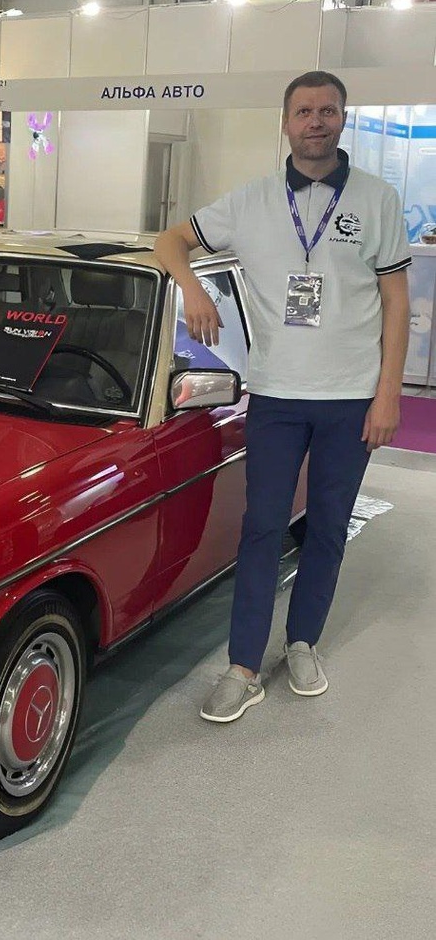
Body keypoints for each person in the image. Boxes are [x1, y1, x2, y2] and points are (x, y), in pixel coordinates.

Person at [154, 70, 410, 724]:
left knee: (326, 526)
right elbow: (169, 241)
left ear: (342, 119)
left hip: (351, 398)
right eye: (303, 111)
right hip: (275, 397)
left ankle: (302, 643)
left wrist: (387, 395)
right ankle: (243, 666)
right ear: (286, 122)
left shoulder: (377, 199)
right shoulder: (250, 201)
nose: (315, 121)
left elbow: (395, 302)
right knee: (262, 528)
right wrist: (191, 288)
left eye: (327, 110)